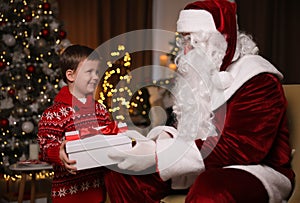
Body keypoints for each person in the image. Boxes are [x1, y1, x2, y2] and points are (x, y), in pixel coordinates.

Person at [105, 0, 295, 202]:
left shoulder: (258, 79)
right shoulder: (199, 76)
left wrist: (158, 156)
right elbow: (185, 132)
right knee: (124, 175)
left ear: (220, 41)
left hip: (255, 169)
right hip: (199, 164)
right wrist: (151, 146)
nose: (186, 51)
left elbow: (240, 149)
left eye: (194, 42)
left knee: (212, 188)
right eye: (184, 42)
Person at [38, 45, 113, 203]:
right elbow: (44, 148)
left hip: (98, 192)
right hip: (68, 196)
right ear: (71, 75)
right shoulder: (54, 114)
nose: (95, 77)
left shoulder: (100, 110)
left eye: (96, 72)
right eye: (89, 72)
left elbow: (109, 138)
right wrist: (58, 152)